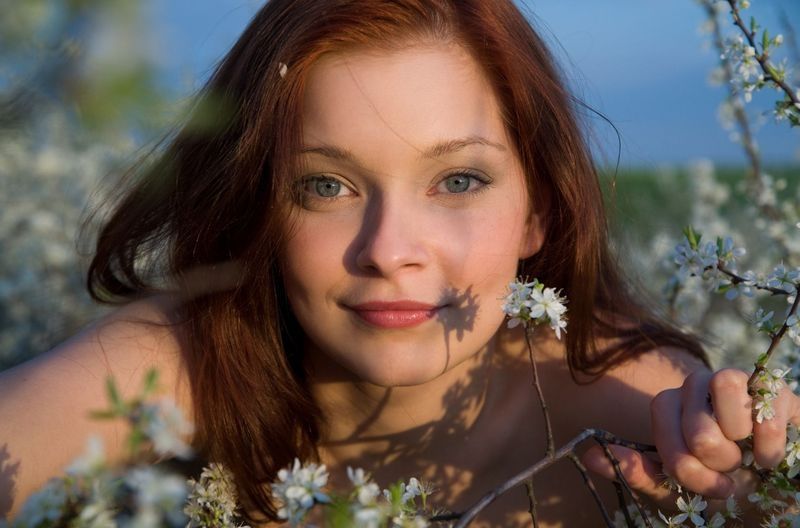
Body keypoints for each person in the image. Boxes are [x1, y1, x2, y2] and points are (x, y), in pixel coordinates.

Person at [1, 0, 798, 525]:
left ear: (540, 209)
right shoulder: (181, 361)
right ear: (259, 209)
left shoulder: (634, 408)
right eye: (326, 185)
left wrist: (754, 490)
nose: (388, 251)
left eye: (458, 180)